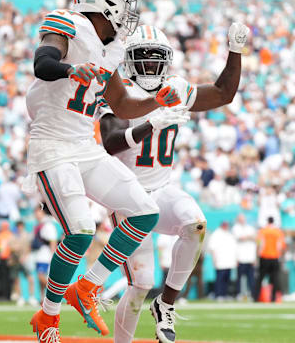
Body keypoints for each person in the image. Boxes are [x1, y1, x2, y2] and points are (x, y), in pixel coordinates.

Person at [26, 0, 184, 341]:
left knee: (145, 211)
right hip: (52, 146)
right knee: (80, 231)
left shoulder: (111, 48)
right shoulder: (69, 24)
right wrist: (70, 69)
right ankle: (48, 317)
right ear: (105, 0)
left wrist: (154, 101)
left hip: (84, 145)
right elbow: (43, 62)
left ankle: (88, 288)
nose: (129, 11)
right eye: (124, 2)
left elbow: (123, 105)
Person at [97, 22, 249, 343]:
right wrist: (151, 123)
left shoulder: (175, 88)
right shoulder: (119, 91)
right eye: (144, 58)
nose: (151, 65)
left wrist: (235, 52)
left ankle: (166, 304)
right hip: (128, 194)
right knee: (139, 286)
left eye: (157, 58)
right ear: (129, 60)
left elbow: (223, 93)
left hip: (162, 189)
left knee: (195, 224)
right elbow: (110, 141)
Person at [32, 207, 59, 305]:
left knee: (41, 276)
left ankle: (56, 292)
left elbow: (53, 241)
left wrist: (52, 255)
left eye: (37, 212)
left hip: (45, 254)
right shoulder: (40, 224)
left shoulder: (48, 225)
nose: (36, 214)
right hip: (39, 253)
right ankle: (42, 298)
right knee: (40, 278)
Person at [256, 217, 286, 302]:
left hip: (264, 256)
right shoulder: (278, 232)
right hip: (275, 257)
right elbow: (281, 245)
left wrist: (257, 255)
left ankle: (256, 297)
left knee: (260, 278)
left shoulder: (262, 231)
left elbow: (259, 243)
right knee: (275, 279)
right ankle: (273, 298)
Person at [11, 221, 38, 306]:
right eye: (18, 226)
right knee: (17, 280)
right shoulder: (14, 236)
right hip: (16, 259)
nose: (19, 227)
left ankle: (31, 297)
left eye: (21, 226)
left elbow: (29, 247)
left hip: (25, 259)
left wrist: (25, 256)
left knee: (30, 278)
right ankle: (20, 297)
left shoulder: (27, 235)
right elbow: (11, 247)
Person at [208, 221, 237, 301]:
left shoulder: (229, 234)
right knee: (220, 279)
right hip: (220, 261)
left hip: (229, 261)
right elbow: (212, 248)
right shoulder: (216, 234)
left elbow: (233, 247)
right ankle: (218, 294)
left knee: (227, 279)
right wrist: (214, 259)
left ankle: (224, 294)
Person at [232, 214, 257, 301]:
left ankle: (252, 294)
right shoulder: (236, 228)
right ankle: (239, 294)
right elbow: (240, 238)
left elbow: (255, 240)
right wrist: (249, 237)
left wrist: (255, 258)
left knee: (251, 278)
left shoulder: (250, 228)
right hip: (241, 258)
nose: (242, 220)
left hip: (250, 258)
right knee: (239, 278)